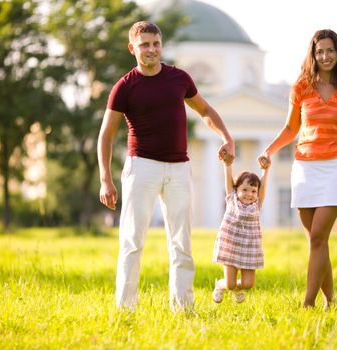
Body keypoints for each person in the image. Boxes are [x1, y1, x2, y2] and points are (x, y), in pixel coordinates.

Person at [97, 21, 235, 312]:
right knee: (132, 242)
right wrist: (105, 179)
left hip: (178, 168)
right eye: (144, 44)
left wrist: (226, 137)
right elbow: (106, 135)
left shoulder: (179, 79)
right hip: (141, 166)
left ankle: (183, 308)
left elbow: (205, 111)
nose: (151, 49)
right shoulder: (124, 86)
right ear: (132, 48)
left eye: (156, 43)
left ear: (161, 45)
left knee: (181, 243)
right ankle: (125, 309)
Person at [258, 29, 337, 309]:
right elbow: (291, 128)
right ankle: (331, 300)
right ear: (312, 55)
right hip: (304, 168)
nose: (325, 56)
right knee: (317, 241)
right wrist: (269, 150)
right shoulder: (301, 86)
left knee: (317, 237)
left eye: (330, 51)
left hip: (336, 167)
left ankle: (308, 304)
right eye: (319, 51)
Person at [211, 154, 270, 304]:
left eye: (253, 191)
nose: (249, 194)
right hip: (231, 246)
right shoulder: (232, 200)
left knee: (248, 284)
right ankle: (220, 284)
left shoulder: (257, 205)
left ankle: (239, 288)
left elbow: (263, 186)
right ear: (237, 190)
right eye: (245, 189)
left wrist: (265, 170)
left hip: (249, 249)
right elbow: (228, 180)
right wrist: (227, 165)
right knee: (230, 285)